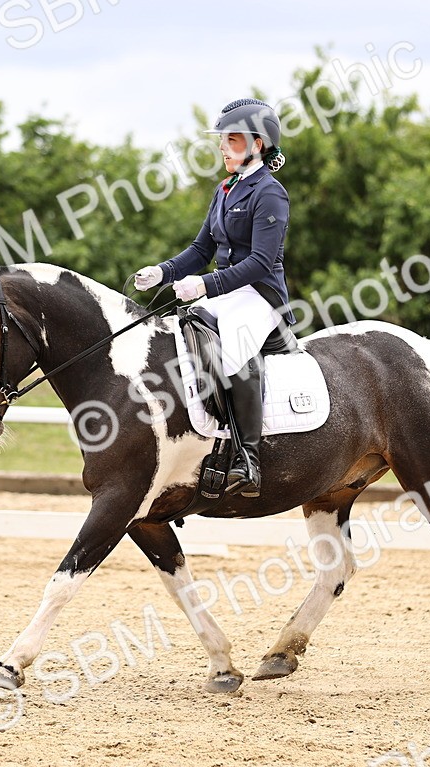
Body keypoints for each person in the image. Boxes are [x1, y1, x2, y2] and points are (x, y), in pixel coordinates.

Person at [132, 98, 294, 498]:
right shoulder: (225, 189)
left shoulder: (270, 194)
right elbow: (200, 251)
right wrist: (162, 272)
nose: (223, 147)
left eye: (232, 139)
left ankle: (249, 460)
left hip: (259, 295)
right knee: (182, 334)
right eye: (222, 139)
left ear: (257, 144)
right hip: (228, 292)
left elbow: (260, 262)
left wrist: (205, 286)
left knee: (236, 350)